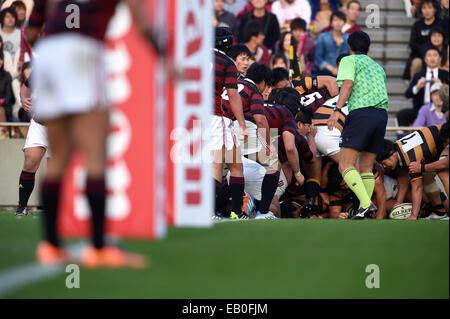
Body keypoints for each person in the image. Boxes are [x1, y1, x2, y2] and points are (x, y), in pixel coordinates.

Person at [26, 0, 179, 269]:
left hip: (49, 53)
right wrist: (164, 57)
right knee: (95, 154)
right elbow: (140, 17)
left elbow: (32, 28)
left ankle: (50, 246)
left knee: (58, 159)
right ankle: (97, 248)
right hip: (83, 50)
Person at [327, 30, 388, 220]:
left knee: (345, 164)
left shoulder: (349, 60)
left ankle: (365, 204)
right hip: (381, 115)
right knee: (366, 167)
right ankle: (365, 209)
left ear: (349, 47)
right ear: (368, 48)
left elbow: (348, 84)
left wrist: (337, 109)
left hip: (362, 113)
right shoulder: (378, 67)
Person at [211, 27, 248, 220]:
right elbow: (233, 95)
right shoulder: (227, 62)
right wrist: (241, 123)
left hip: (192, 115)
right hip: (216, 117)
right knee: (226, 165)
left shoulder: (195, 57)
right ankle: (234, 212)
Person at [378, 123, 449, 220]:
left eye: (384, 163)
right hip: (439, 142)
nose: (384, 167)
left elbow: (417, 187)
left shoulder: (410, 157)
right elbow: (402, 175)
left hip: (443, 140)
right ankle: (440, 212)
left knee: (442, 172)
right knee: (428, 178)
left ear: (392, 155)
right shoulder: (397, 148)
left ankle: (439, 211)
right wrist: (399, 201)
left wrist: (413, 215)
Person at [15, 66, 50, 217]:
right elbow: (26, 86)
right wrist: (24, 99)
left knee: (56, 170)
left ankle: (57, 211)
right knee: (30, 161)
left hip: (64, 125)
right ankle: (22, 207)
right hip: (40, 123)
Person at [400, 46, 449, 127]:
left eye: (435, 55)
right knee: (402, 115)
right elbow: (407, 94)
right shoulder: (418, 75)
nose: (432, 58)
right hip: (420, 108)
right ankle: (402, 137)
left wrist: (442, 87)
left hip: (441, 109)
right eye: (429, 55)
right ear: (425, 59)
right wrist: (417, 87)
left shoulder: (446, 75)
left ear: (440, 58)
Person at [404, 0, 448, 80]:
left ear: (434, 9)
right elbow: (413, 44)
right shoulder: (417, 25)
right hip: (421, 55)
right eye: (424, 8)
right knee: (417, 62)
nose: (427, 11)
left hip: (440, 54)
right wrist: (426, 52)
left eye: (430, 8)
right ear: (421, 10)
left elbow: (445, 41)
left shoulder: (441, 24)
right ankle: (415, 86)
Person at [314, 11, 349, 76]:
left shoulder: (348, 38)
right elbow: (318, 57)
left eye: (341, 20)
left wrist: (340, 69)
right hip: (325, 73)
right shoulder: (323, 37)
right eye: (335, 20)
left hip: (344, 73)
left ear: (344, 22)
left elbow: (350, 57)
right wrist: (332, 69)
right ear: (331, 23)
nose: (338, 23)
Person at [0, 49, 15, 123]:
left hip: (5, 106)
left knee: (0, 111)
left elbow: (9, 97)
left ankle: (4, 132)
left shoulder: (7, 75)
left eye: (1, 59)